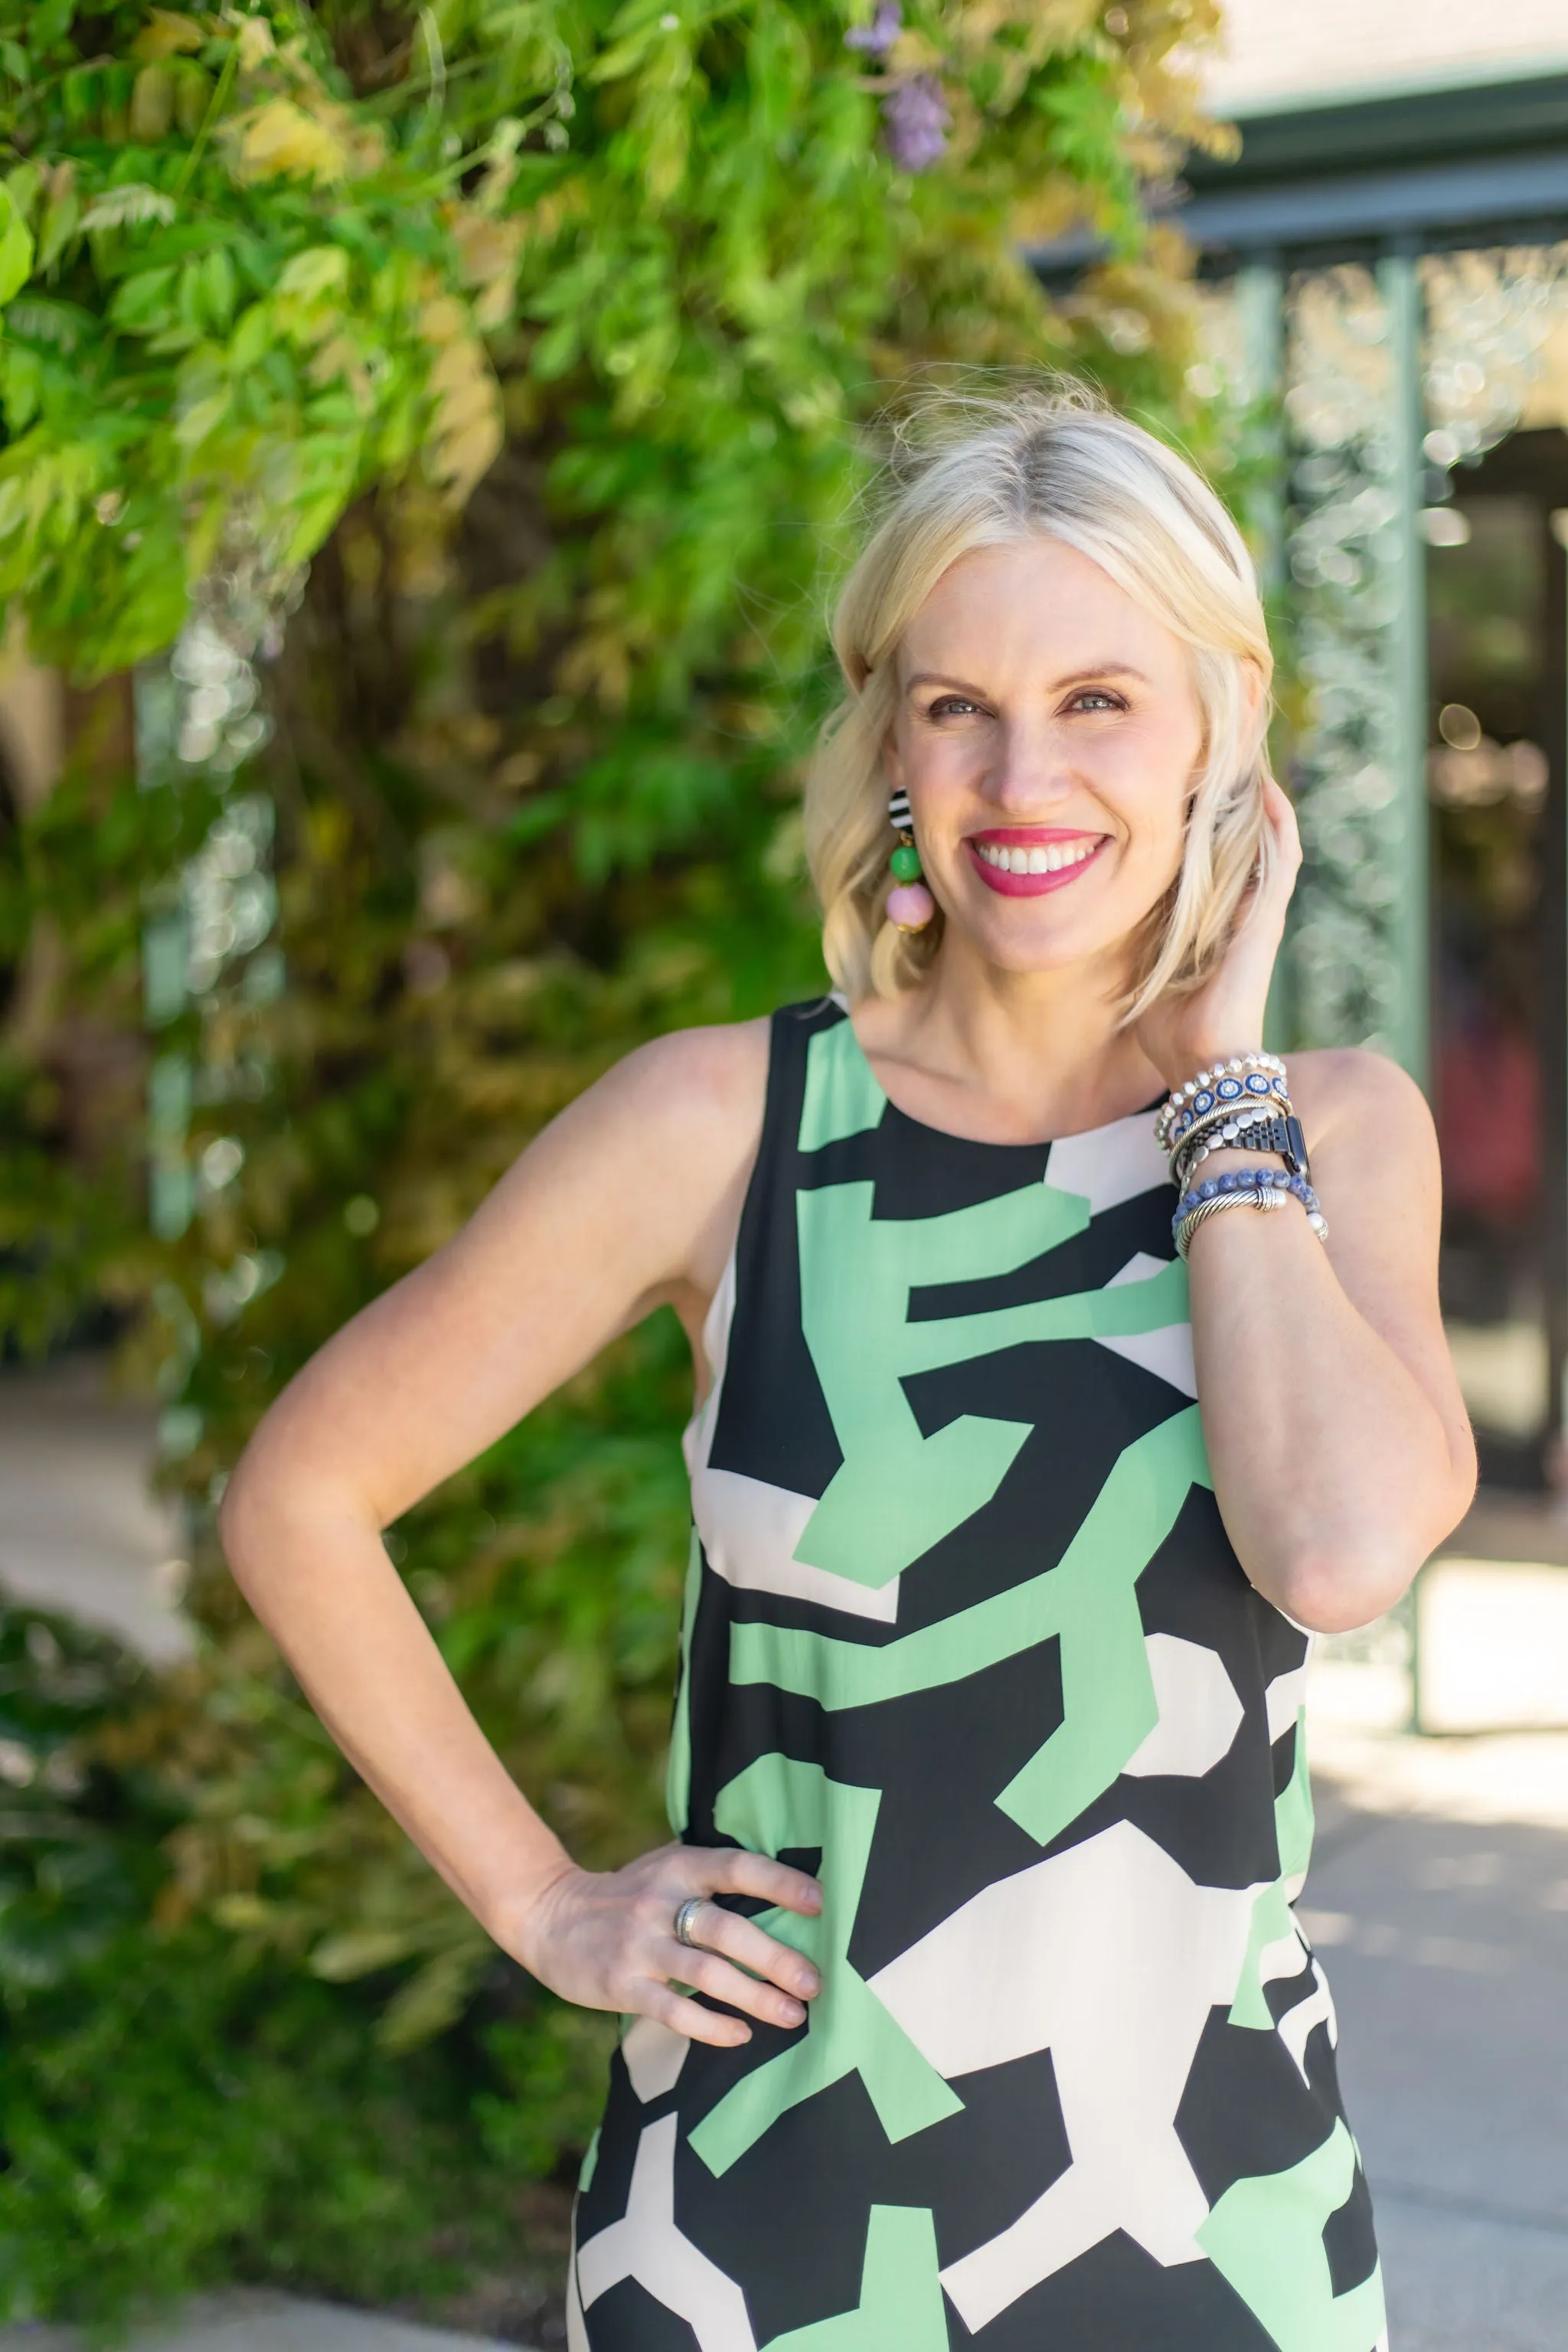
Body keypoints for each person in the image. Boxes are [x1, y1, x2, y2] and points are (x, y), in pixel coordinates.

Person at [221, 386, 1476, 2350]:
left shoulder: (1334, 1131)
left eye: (1097, 702)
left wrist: (1219, 1089)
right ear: (889, 735)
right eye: (954, 702)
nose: (1017, 775)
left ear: (1222, 729)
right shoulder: (724, 1124)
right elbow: (300, 1494)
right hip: (766, 2233)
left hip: (1206, 2224)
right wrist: (546, 1901)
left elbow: (1329, 1553)